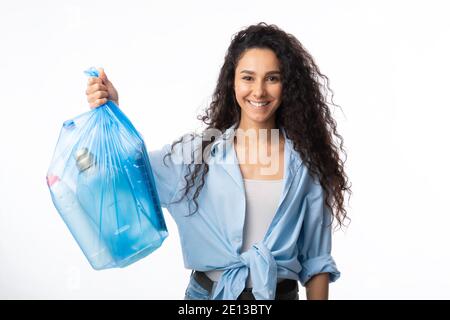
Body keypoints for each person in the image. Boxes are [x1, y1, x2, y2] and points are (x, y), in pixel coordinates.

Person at [85, 22, 351, 300]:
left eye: (272, 78)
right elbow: (124, 174)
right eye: (248, 77)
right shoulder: (195, 156)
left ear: (288, 85)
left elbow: (317, 261)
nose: (259, 91)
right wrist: (111, 114)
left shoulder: (307, 165)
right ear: (232, 81)